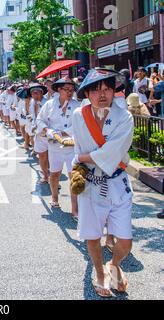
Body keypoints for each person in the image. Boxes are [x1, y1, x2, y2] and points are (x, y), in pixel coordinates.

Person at [72, 68, 134, 298]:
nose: (102, 94)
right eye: (96, 89)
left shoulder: (124, 116)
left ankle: (115, 263)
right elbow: (79, 147)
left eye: (107, 88)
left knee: (125, 241)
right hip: (91, 182)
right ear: (87, 93)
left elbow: (114, 150)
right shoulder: (78, 115)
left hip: (117, 182)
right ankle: (99, 272)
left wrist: (82, 158)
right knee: (92, 234)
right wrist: (78, 164)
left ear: (114, 91)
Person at [37, 77, 80, 219]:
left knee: (73, 176)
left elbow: (81, 123)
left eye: (72, 90)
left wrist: (64, 133)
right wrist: (48, 130)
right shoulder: (49, 105)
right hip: (54, 146)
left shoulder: (77, 106)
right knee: (54, 174)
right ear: (59, 90)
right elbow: (40, 120)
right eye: (66, 89)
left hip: (71, 146)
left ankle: (75, 209)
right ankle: (54, 198)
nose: (70, 92)